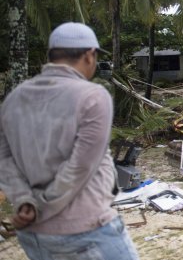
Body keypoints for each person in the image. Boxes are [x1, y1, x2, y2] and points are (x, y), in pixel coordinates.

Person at [0, 22, 139, 260]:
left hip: (33, 236)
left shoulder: (14, 99)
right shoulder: (92, 97)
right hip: (85, 231)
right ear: (88, 55)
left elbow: (4, 159)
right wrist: (40, 206)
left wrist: (25, 202)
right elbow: (79, 167)